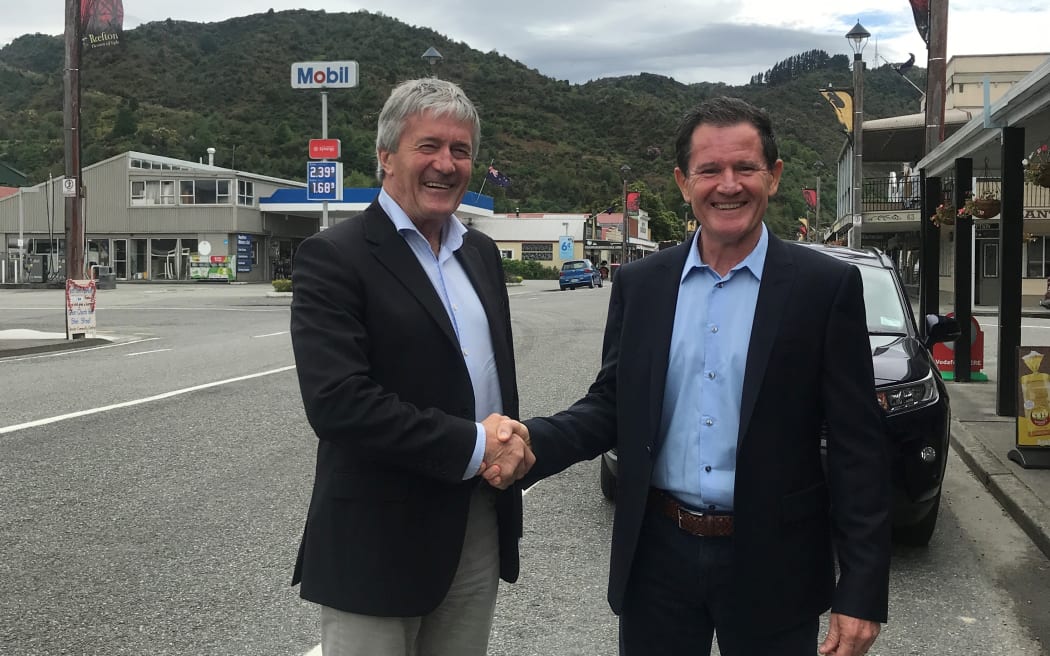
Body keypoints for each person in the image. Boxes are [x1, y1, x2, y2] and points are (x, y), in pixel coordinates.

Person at [491, 96, 891, 656]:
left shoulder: (822, 289)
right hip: (658, 555)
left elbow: (857, 445)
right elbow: (612, 404)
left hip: (773, 559)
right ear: (684, 182)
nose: (728, 185)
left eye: (745, 168)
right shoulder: (643, 284)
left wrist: (862, 591)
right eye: (710, 170)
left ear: (773, 176)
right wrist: (534, 438)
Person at [289, 77, 534, 656]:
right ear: (385, 155)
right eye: (428, 146)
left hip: (475, 523)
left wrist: (506, 446)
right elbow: (339, 402)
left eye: (461, 150)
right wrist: (478, 444)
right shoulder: (334, 256)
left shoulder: (480, 254)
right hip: (376, 537)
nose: (445, 164)